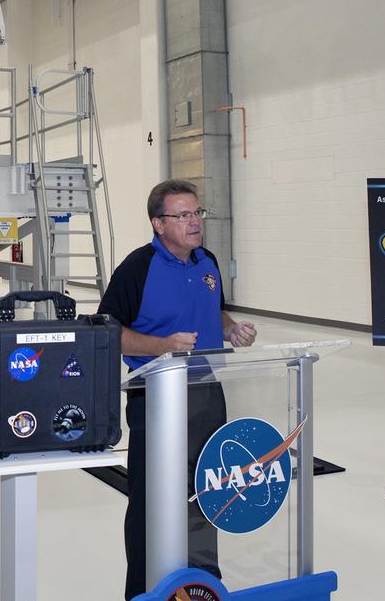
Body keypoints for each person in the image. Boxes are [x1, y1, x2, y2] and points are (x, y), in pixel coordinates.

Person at [98, 179, 257, 600]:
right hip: (157, 397)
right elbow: (108, 331)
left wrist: (230, 327)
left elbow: (213, 308)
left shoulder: (208, 262)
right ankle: (146, 591)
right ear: (158, 223)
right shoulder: (137, 268)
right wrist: (162, 347)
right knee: (153, 503)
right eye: (182, 215)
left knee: (209, 491)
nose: (193, 223)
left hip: (208, 393)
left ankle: (202, 585)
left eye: (196, 213)